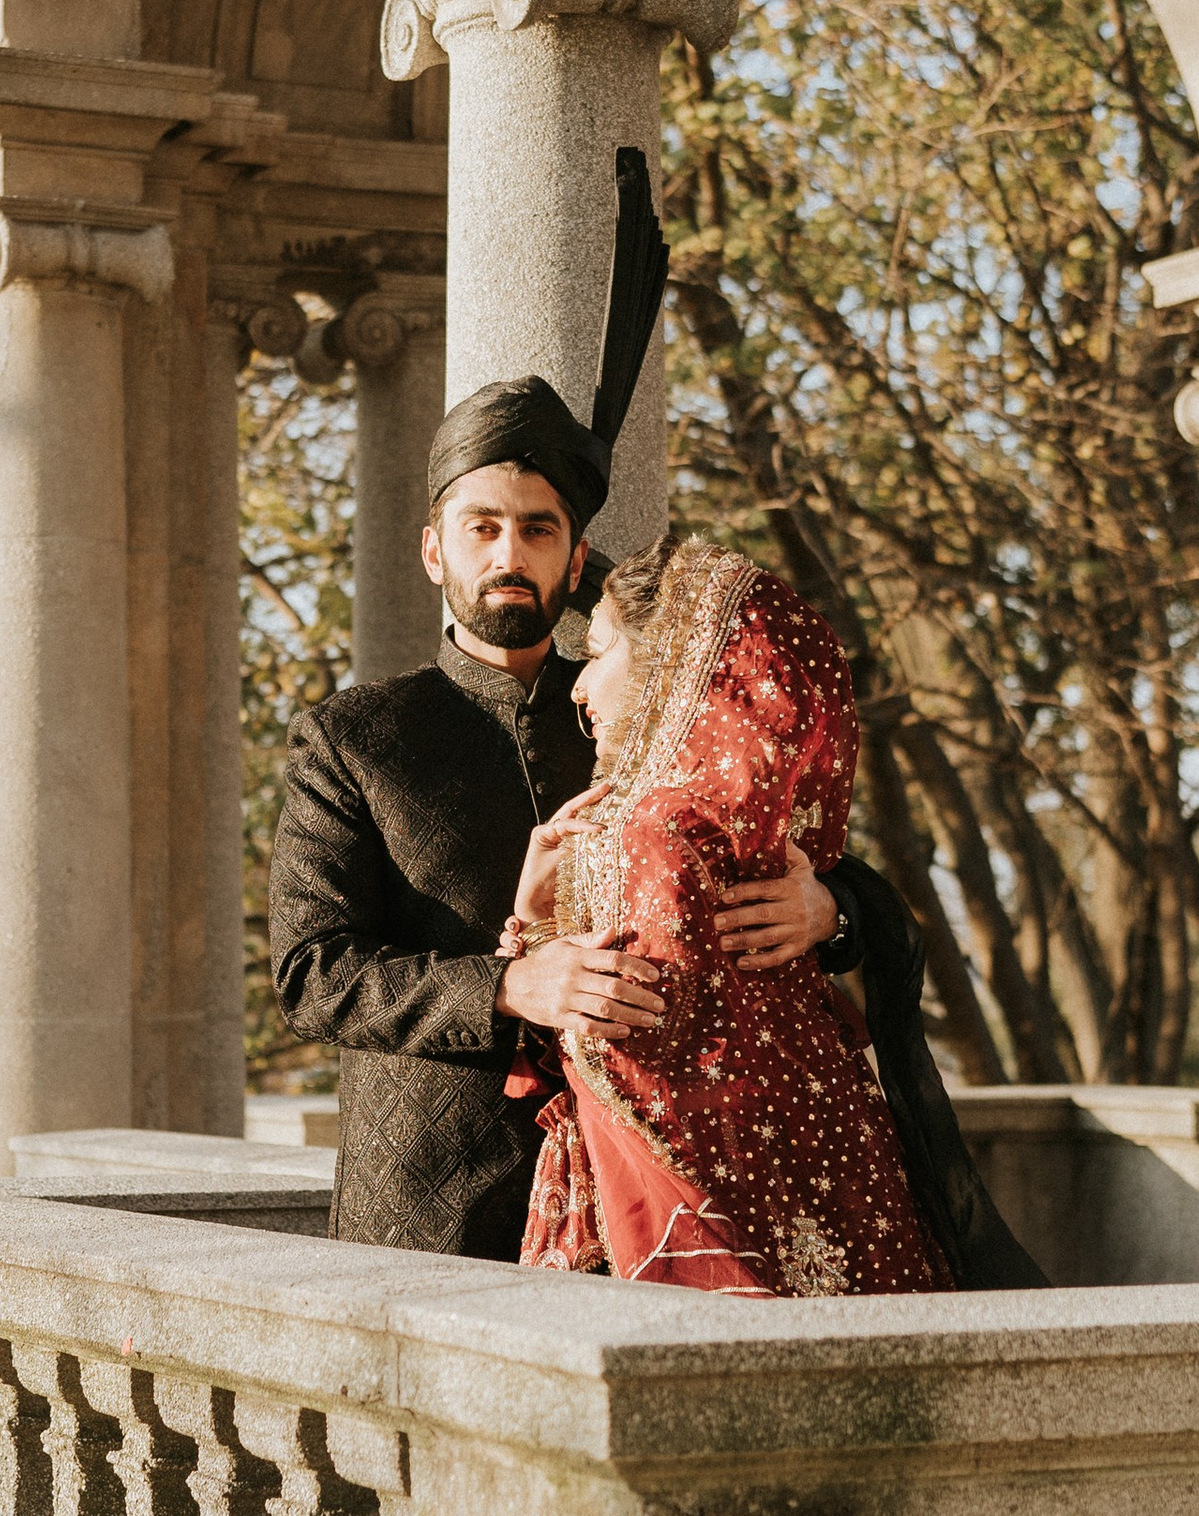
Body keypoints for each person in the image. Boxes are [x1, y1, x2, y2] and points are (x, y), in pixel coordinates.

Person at [267, 157, 865, 1256]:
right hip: (433, 1208)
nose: (510, 553)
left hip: (647, 1204)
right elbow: (312, 976)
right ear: (434, 551)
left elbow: (811, 868)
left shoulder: (659, 718)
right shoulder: (353, 738)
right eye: (483, 528)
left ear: (573, 554)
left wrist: (833, 911)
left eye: (537, 529)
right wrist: (512, 986)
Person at [515, 531, 1045, 1297]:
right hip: (856, 1187)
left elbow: (618, 1046)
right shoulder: (751, 834)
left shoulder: (642, 833)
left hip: (685, 1222)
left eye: (597, 653)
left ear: (672, 665)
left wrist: (533, 926)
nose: (578, 686)